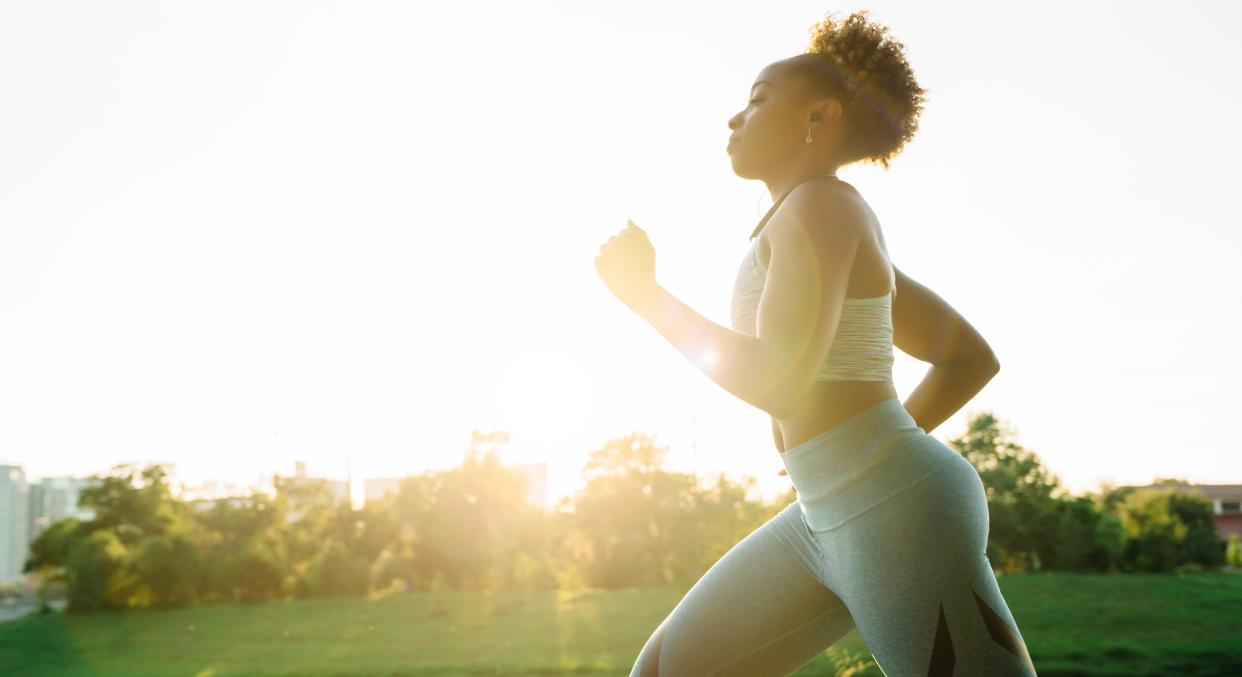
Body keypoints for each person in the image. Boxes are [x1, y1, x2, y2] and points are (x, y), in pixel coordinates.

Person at [593, 9, 1038, 677]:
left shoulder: (823, 206)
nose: (734, 119)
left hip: (894, 507)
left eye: (758, 100)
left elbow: (779, 379)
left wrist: (646, 294)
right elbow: (967, 355)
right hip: (825, 504)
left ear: (819, 118)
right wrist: (851, 454)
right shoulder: (818, 215)